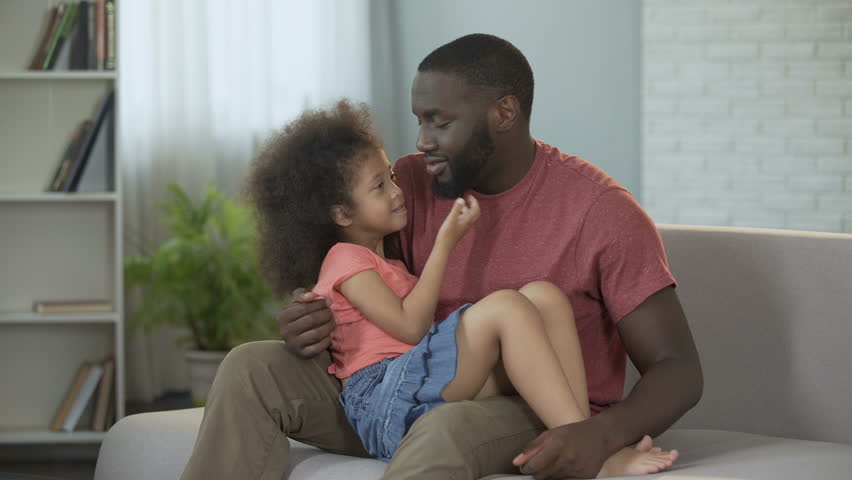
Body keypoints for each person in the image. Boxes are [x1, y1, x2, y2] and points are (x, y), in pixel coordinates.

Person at [180, 33, 702, 480]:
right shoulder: (408, 185)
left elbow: (678, 367)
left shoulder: (600, 211)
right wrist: (308, 316)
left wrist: (598, 435)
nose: (421, 140)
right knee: (250, 366)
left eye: (439, 122)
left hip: (523, 402)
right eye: (419, 121)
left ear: (504, 113)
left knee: (443, 428)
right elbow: (353, 275)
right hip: (399, 386)